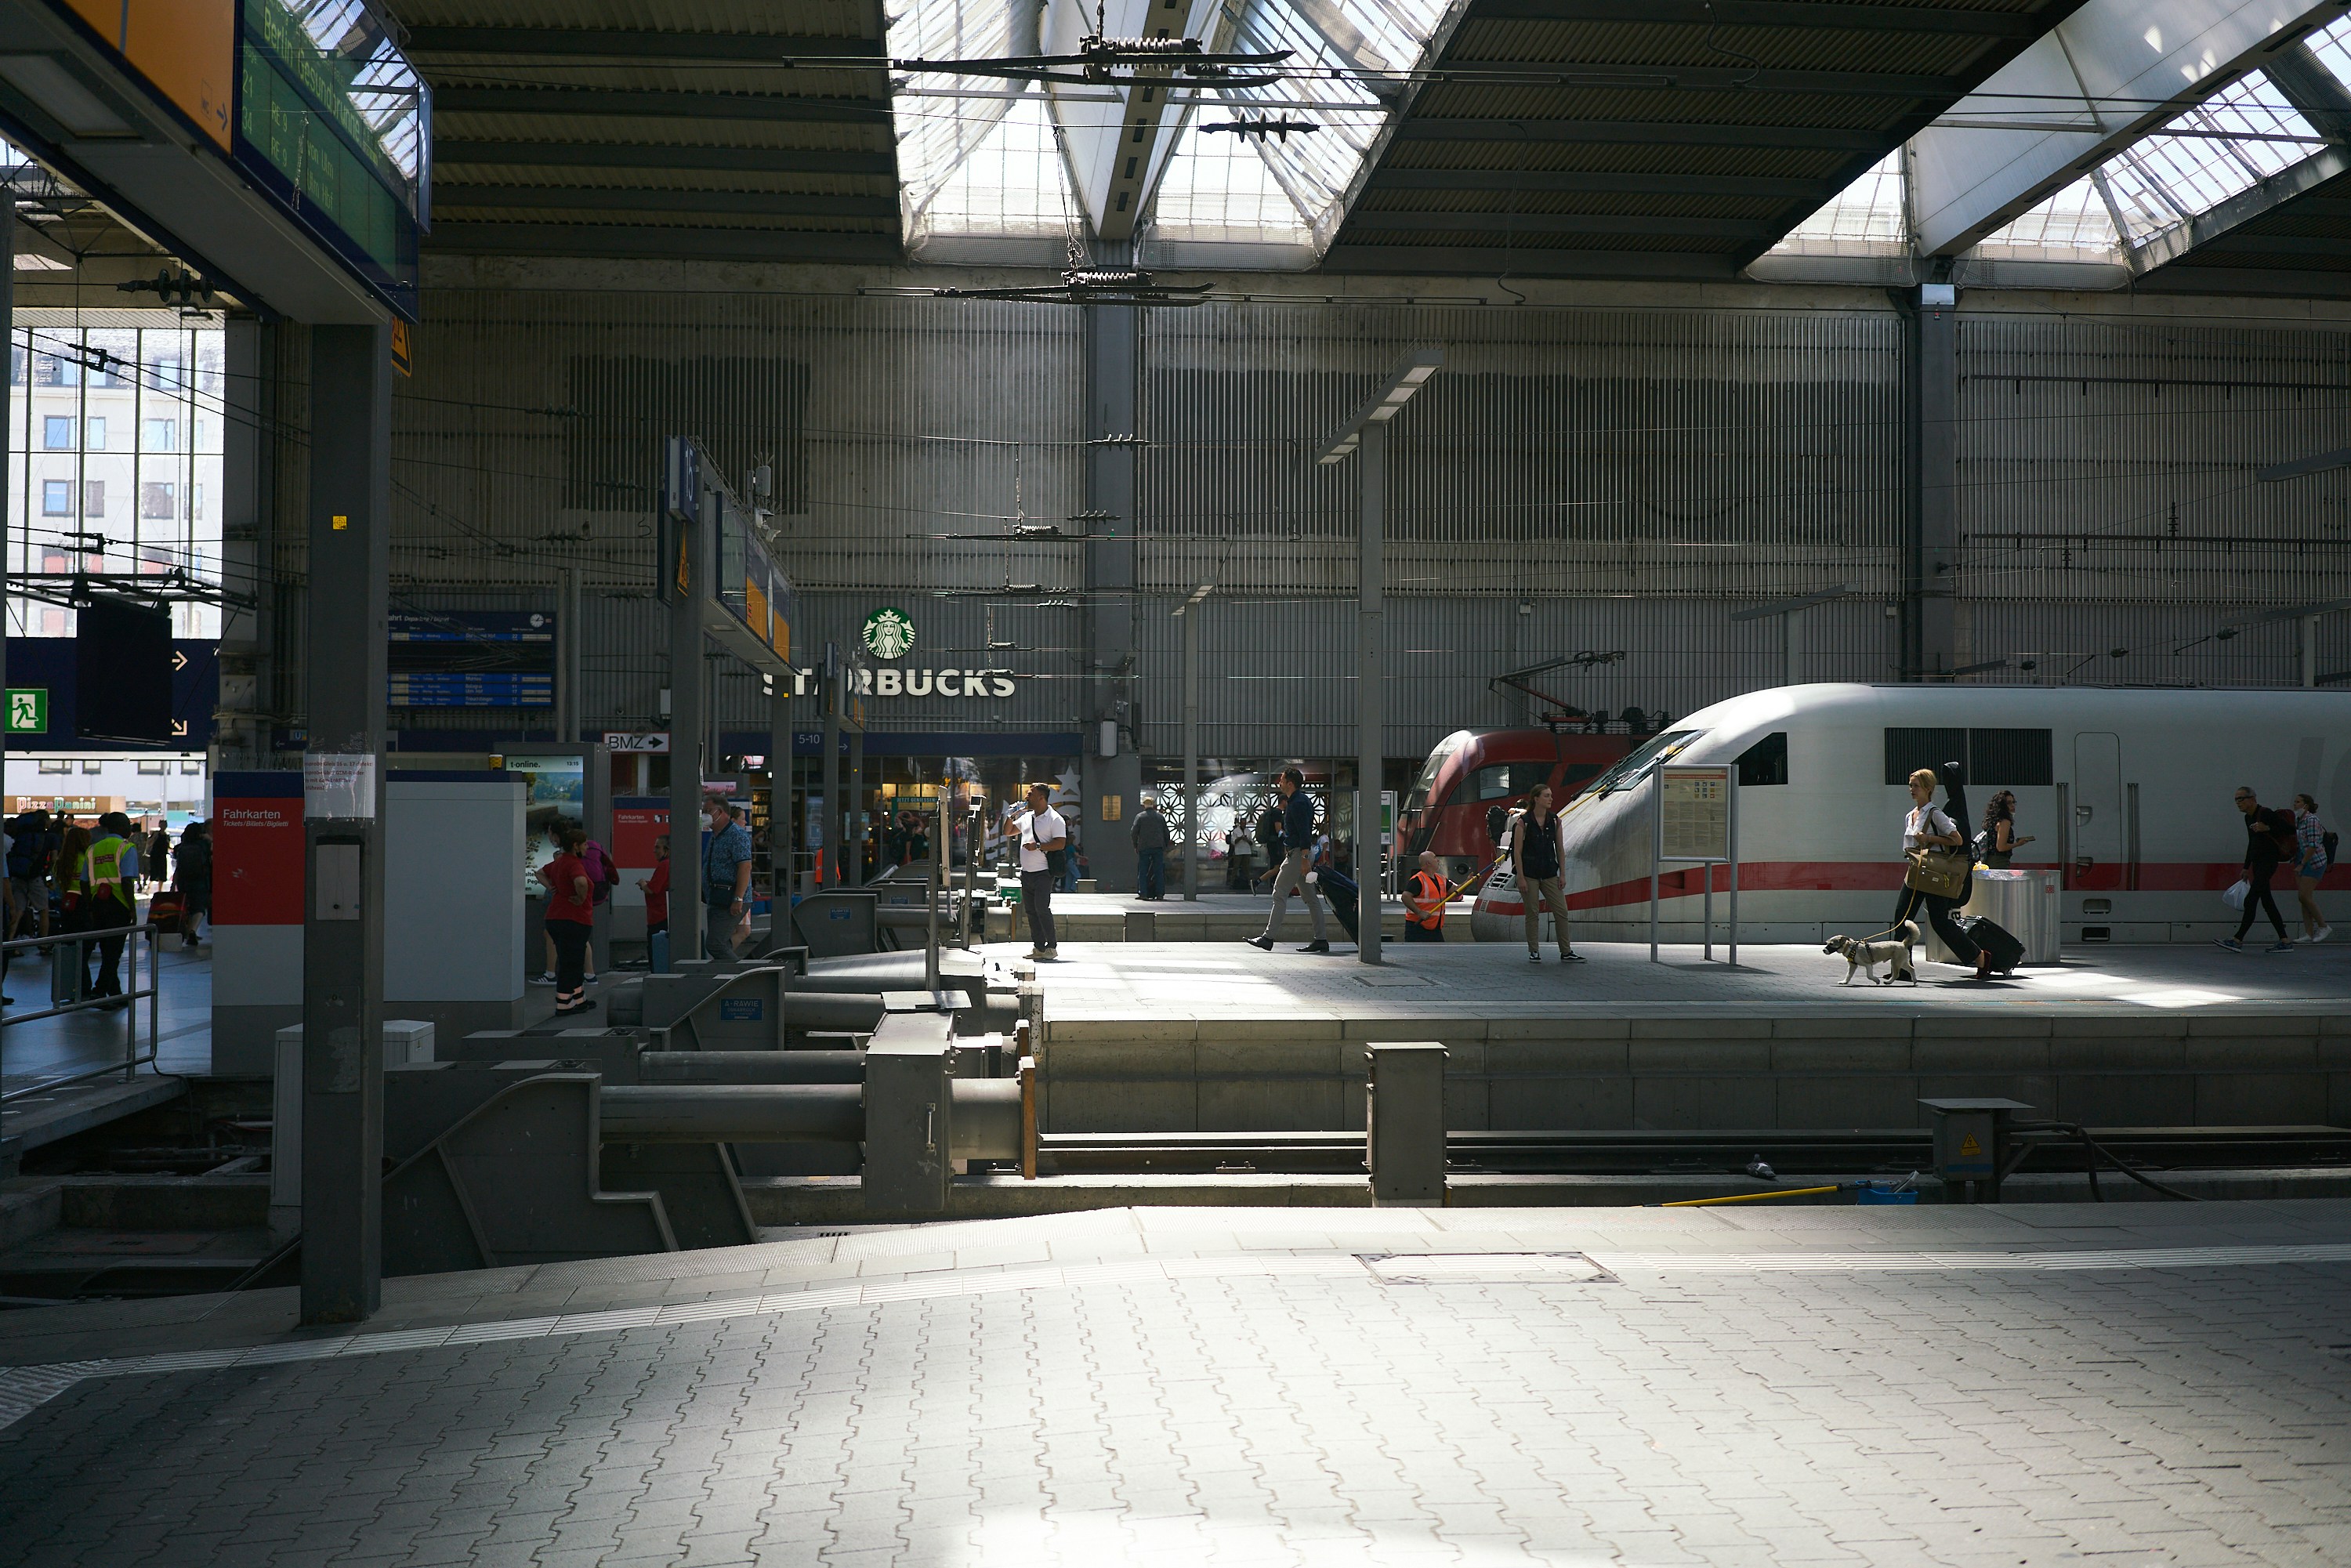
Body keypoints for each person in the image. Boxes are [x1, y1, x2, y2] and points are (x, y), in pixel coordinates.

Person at [1895, 769, 1991, 980]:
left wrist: (1929, 840)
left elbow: (1957, 840)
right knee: (1902, 917)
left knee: (1940, 922)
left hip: (1933, 873)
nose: (1911, 789)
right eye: (1910, 785)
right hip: (1915, 871)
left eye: (1916, 786)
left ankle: (1980, 956)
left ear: (1928, 789)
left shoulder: (1935, 814)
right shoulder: (1910, 815)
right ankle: (1903, 968)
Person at [1248, 767, 1330, 954]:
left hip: (1297, 855)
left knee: (1279, 893)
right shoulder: (1298, 801)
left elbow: (1304, 833)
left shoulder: (1298, 803)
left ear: (1290, 783)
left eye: (1282, 780)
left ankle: (1268, 938)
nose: (1280, 783)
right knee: (1310, 899)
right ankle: (1321, 939)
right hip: (1299, 855)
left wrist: (1303, 858)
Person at [1509, 784, 1583, 962]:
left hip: (1549, 871)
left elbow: (1560, 848)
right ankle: (1534, 950)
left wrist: (1562, 874)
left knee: (1561, 911)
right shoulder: (1523, 822)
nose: (1551, 799)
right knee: (1532, 912)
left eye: (1551, 796)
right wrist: (1520, 876)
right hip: (1530, 873)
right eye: (1546, 796)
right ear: (1536, 799)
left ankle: (1566, 951)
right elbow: (1517, 851)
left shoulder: (1555, 820)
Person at [2219, 786, 2296, 954]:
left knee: (2251, 900)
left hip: (2269, 862)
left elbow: (2291, 830)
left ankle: (2237, 940)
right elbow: (2252, 842)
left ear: (2252, 799)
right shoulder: (2248, 818)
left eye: (2241, 798)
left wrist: (2267, 828)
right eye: (2236, 799)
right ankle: (2285, 941)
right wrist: (2247, 867)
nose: (2238, 802)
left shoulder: (2266, 813)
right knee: (2268, 903)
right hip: (2259, 863)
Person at [82, 812, 142, 1005]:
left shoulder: (93, 849)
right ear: (118, 827)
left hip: (98, 904)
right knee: (113, 953)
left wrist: (90, 906)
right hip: (118, 904)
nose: (130, 829)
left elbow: (84, 881)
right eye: (127, 825)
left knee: (107, 949)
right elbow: (126, 881)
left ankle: (116, 993)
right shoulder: (126, 848)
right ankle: (99, 991)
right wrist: (132, 909)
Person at [539, 827, 597, 1015]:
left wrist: (551, 887)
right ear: (576, 846)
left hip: (555, 918)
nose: (587, 847)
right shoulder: (574, 863)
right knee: (571, 962)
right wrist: (581, 898)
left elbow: (539, 872)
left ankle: (579, 999)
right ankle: (564, 1003)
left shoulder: (559, 862)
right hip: (573, 919)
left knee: (571, 959)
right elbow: (581, 882)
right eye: (585, 844)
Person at [1014, 781, 1067, 958]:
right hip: (1026, 872)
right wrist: (1010, 815)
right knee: (1030, 911)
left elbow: (1060, 843)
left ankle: (1051, 947)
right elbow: (1008, 831)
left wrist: (1037, 845)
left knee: (1041, 909)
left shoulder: (1055, 819)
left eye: (1030, 794)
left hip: (1044, 872)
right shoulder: (1027, 817)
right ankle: (1039, 948)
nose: (1027, 797)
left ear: (1041, 798)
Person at [703, 797, 754, 961]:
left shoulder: (736, 835)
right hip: (717, 897)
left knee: (715, 944)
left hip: (730, 897)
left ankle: (741, 976)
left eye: (708, 811)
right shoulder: (716, 836)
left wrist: (738, 898)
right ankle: (726, 975)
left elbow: (745, 866)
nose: (705, 815)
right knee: (720, 943)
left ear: (721, 812)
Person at [2291, 792, 2331, 945]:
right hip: (2301, 859)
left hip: (2314, 862)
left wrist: (2302, 863)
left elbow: (2314, 844)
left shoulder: (2312, 820)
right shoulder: (2298, 820)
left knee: (2304, 896)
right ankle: (2308, 932)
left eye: (2298, 802)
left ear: (2306, 805)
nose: (2295, 804)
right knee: (2304, 898)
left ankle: (2323, 926)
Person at [173, 820, 212, 948]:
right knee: (200, 908)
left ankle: (189, 931)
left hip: (183, 881)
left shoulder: (181, 847)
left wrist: (174, 884)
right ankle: (192, 931)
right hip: (200, 880)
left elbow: (178, 867)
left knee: (188, 907)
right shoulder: (204, 845)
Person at [637, 835, 672, 969]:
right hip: (662, 914)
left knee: (655, 950)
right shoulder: (668, 865)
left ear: (666, 850)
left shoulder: (664, 865)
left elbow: (652, 890)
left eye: (657, 847)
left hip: (659, 915)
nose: (654, 851)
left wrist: (643, 883)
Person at [1979, 791, 2034, 870]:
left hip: (1987, 859)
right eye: (2008, 803)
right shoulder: (2005, 822)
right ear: (2002, 806)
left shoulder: (1992, 821)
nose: (2012, 806)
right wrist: (2018, 844)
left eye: (2013, 802)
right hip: (1999, 861)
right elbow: (2001, 847)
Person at [1404, 849, 1448, 943]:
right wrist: (1420, 912)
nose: (1438, 860)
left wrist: (1468, 882)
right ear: (1428, 863)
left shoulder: (1441, 879)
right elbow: (1405, 897)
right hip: (1418, 927)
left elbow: (1456, 890)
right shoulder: (1418, 880)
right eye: (1435, 858)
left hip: (1435, 927)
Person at [1131, 799, 1169, 900]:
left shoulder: (1140, 817)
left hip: (1144, 847)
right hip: (1158, 847)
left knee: (1143, 871)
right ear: (1154, 805)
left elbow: (1134, 832)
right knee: (1158, 871)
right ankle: (1160, 894)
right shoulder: (1160, 817)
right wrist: (1164, 845)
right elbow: (1166, 832)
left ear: (1144, 805)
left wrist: (1136, 845)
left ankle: (1143, 893)